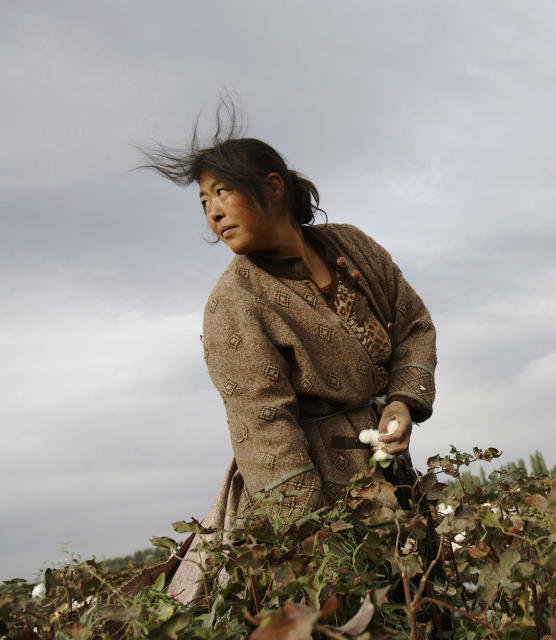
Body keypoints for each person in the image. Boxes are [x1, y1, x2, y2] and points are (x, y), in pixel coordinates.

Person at [129, 112, 437, 604]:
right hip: (308, 497)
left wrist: (402, 403)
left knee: (421, 600)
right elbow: (264, 430)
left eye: (222, 192)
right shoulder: (235, 304)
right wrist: (320, 546)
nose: (212, 212)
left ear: (274, 187)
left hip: (389, 473)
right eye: (204, 202)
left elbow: (413, 325)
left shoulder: (353, 248)